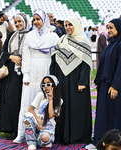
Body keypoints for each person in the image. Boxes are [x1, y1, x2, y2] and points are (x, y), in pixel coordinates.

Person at [13, 10, 59, 143]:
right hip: (32, 69)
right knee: (27, 100)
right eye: (34, 19)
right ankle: (22, 133)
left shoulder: (53, 37)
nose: (36, 22)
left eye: (38, 19)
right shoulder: (30, 36)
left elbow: (55, 57)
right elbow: (26, 55)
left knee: (44, 100)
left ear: (44, 20)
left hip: (45, 68)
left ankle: (43, 133)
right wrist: (26, 73)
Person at [50, 17, 92, 145]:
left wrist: (83, 82)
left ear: (77, 26)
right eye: (66, 25)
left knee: (76, 109)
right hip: (61, 81)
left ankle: (77, 136)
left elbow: (86, 64)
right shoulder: (62, 40)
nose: (68, 27)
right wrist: (53, 79)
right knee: (62, 108)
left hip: (77, 83)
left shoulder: (84, 42)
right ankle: (62, 135)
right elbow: (54, 60)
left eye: (71, 25)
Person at [0, 12, 31, 140]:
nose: (17, 24)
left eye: (20, 22)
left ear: (25, 22)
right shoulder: (12, 35)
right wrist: (12, 57)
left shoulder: (31, 36)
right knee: (11, 100)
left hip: (27, 72)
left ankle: (25, 129)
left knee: (25, 101)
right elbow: (4, 52)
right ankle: (13, 129)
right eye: (15, 22)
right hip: (12, 74)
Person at [93, 19, 121, 145]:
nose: (108, 30)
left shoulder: (120, 44)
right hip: (105, 85)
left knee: (112, 114)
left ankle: (113, 141)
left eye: (111, 28)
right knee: (103, 113)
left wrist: (115, 85)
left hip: (114, 86)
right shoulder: (111, 43)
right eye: (108, 28)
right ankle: (101, 140)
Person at [23, 75, 63, 149]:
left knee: (45, 138)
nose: (46, 86)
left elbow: (51, 115)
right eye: (43, 84)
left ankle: (44, 140)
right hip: (37, 120)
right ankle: (32, 143)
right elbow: (30, 110)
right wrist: (39, 121)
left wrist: (51, 100)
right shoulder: (40, 95)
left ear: (54, 85)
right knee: (27, 121)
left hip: (48, 124)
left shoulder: (59, 101)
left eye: (48, 84)